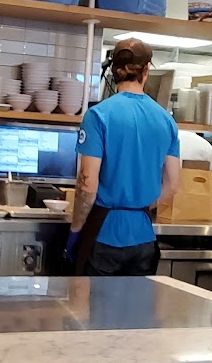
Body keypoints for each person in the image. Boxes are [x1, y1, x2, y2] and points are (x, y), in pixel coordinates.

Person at [70, 38, 180, 276]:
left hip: (103, 234)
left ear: (113, 70)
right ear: (147, 69)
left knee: (93, 300)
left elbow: (87, 183)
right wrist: (136, 206)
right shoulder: (166, 120)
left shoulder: (98, 115)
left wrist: (76, 228)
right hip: (144, 237)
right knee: (135, 301)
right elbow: (172, 185)